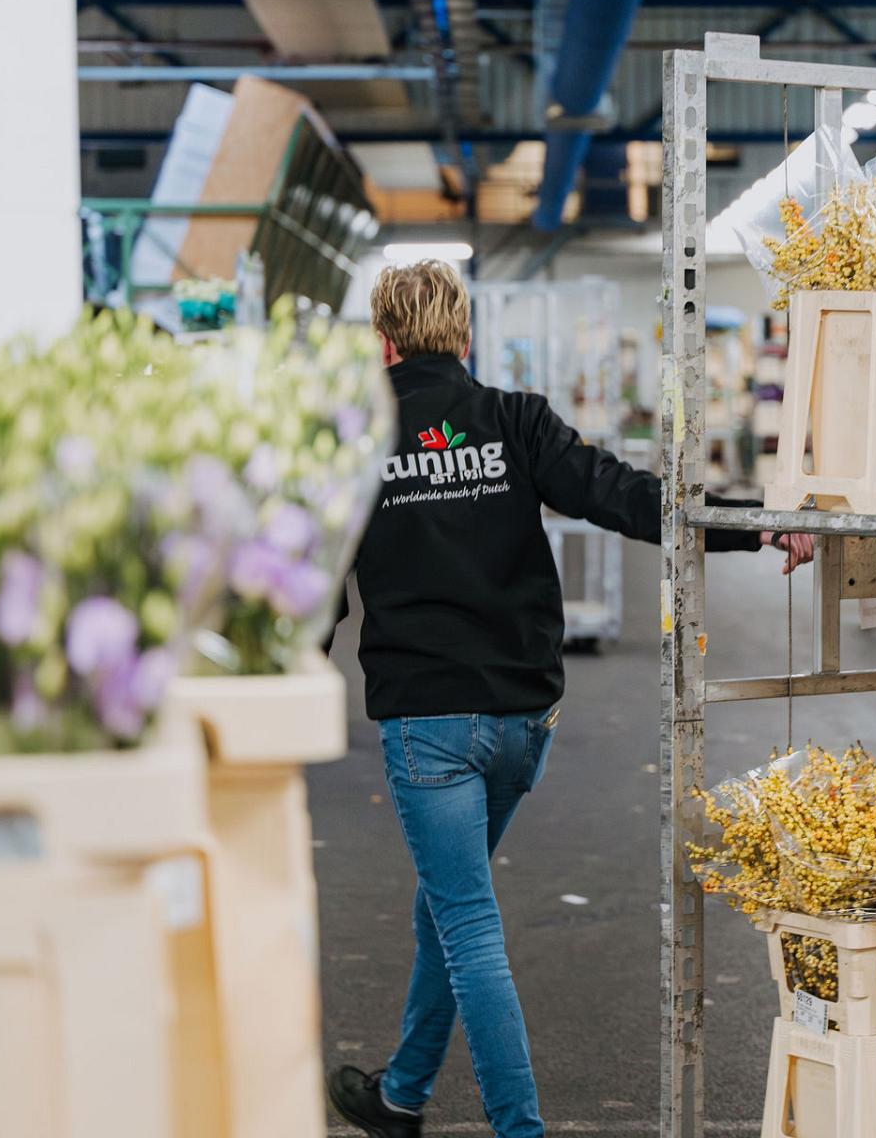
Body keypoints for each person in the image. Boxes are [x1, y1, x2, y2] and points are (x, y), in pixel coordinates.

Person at [325, 261, 813, 1138]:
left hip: (427, 724)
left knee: (467, 924)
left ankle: (521, 1131)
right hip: (520, 723)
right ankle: (400, 1096)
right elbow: (627, 498)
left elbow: (314, 581)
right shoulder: (515, 420)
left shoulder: (354, 439)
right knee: (446, 905)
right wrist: (758, 522)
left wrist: (277, 683)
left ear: (384, 343)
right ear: (464, 338)